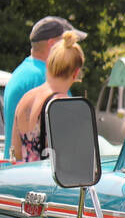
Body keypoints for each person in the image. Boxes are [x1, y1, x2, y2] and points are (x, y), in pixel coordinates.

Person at [5, 15, 85, 149]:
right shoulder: (45, 79)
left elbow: (17, 148)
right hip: (43, 168)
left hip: (16, 167)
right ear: (52, 44)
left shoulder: (21, 72)